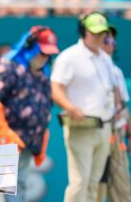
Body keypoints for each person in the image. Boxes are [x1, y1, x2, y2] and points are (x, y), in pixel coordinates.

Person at [51, 12, 118, 202]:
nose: (99, 37)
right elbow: (55, 89)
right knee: (80, 181)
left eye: (102, 33)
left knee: (94, 181)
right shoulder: (70, 56)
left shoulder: (104, 57)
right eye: (94, 33)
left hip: (104, 127)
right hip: (82, 126)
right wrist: (70, 107)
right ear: (83, 31)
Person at [0, 26, 60, 202]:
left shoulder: (42, 72)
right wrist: (4, 134)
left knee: (18, 188)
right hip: (4, 140)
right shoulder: (7, 66)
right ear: (30, 46)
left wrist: (40, 137)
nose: (45, 58)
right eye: (42, 53)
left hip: (28, 141)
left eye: (48, 54)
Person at [97, 26, 131, 202]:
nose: (110, 44)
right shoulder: (87, 68)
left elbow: (124, 107)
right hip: (95, 135)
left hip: (116, 136)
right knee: (94, 187)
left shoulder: (116, 71)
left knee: (121, 187)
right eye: (105, 40)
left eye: (112, 41)